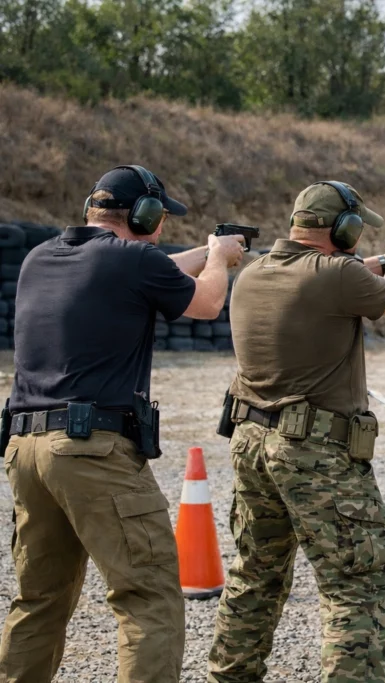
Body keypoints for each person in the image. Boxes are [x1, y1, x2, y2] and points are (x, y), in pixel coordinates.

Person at [0, 164, 244, 682]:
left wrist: (206, 251)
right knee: (148, 594)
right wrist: (221, 260)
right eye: (158, 219)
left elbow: (145, 272)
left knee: (39, 600)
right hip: (92, 452)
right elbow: (207, 301)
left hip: (26, 450)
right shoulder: (133, 262)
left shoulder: (40, 259)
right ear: (145, 214)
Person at [207, 181, 385, 683]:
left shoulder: (257, 272)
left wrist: (368, 264)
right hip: (316, 452)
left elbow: (329, 280)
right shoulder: (337, 275)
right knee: (356, 584)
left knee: (254, 576)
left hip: (252, 444)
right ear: (343, 230)